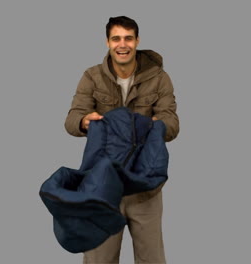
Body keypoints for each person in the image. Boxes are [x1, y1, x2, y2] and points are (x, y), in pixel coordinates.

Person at [64, 16, 179, 264]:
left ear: (137, 41)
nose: (122, 44)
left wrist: (154, 126)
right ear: (107, 42)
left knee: (152, 260)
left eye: (128, 38)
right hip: (102, 186)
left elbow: (172, 125)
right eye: (116, 38)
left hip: (144, 187)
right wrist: (86, 121)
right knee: (98, 260)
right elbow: (72, 119)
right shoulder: (92, 76)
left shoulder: (159, 78)